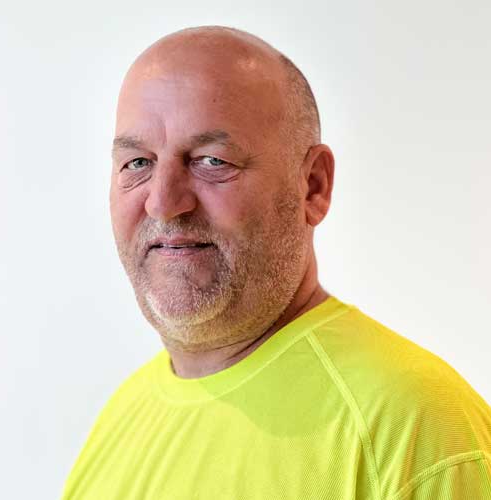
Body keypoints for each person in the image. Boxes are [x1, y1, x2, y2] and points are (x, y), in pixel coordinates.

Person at [61, 25, 491, 499]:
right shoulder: (121, 419)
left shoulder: (415, 428)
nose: (163, 202)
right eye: (138, 163)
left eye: (211, 160)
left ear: (313, 186)